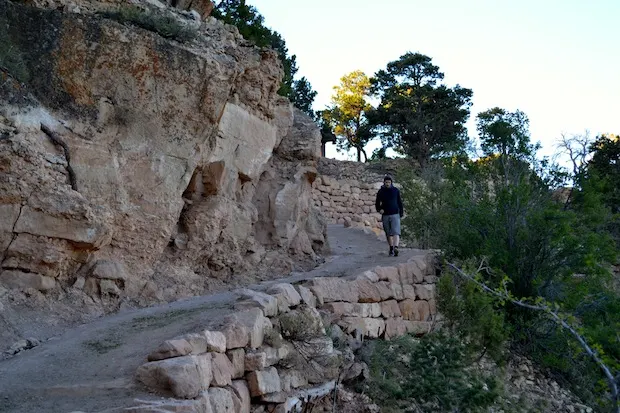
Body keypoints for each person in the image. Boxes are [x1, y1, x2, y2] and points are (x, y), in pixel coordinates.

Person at [375, 174, 404, 256]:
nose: (387, 183)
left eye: (389, 182)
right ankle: (391, 247)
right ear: (384, 182)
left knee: (396, 232)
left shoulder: (395, 191)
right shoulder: (381, 192)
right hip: (385, 214)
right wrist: (379, 209)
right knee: (388, 233)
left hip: (395, 213)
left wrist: (401, 212)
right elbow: (377, 203)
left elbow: (399, 202)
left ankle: (396, 247)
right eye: (386, 182)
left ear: (391, 182)